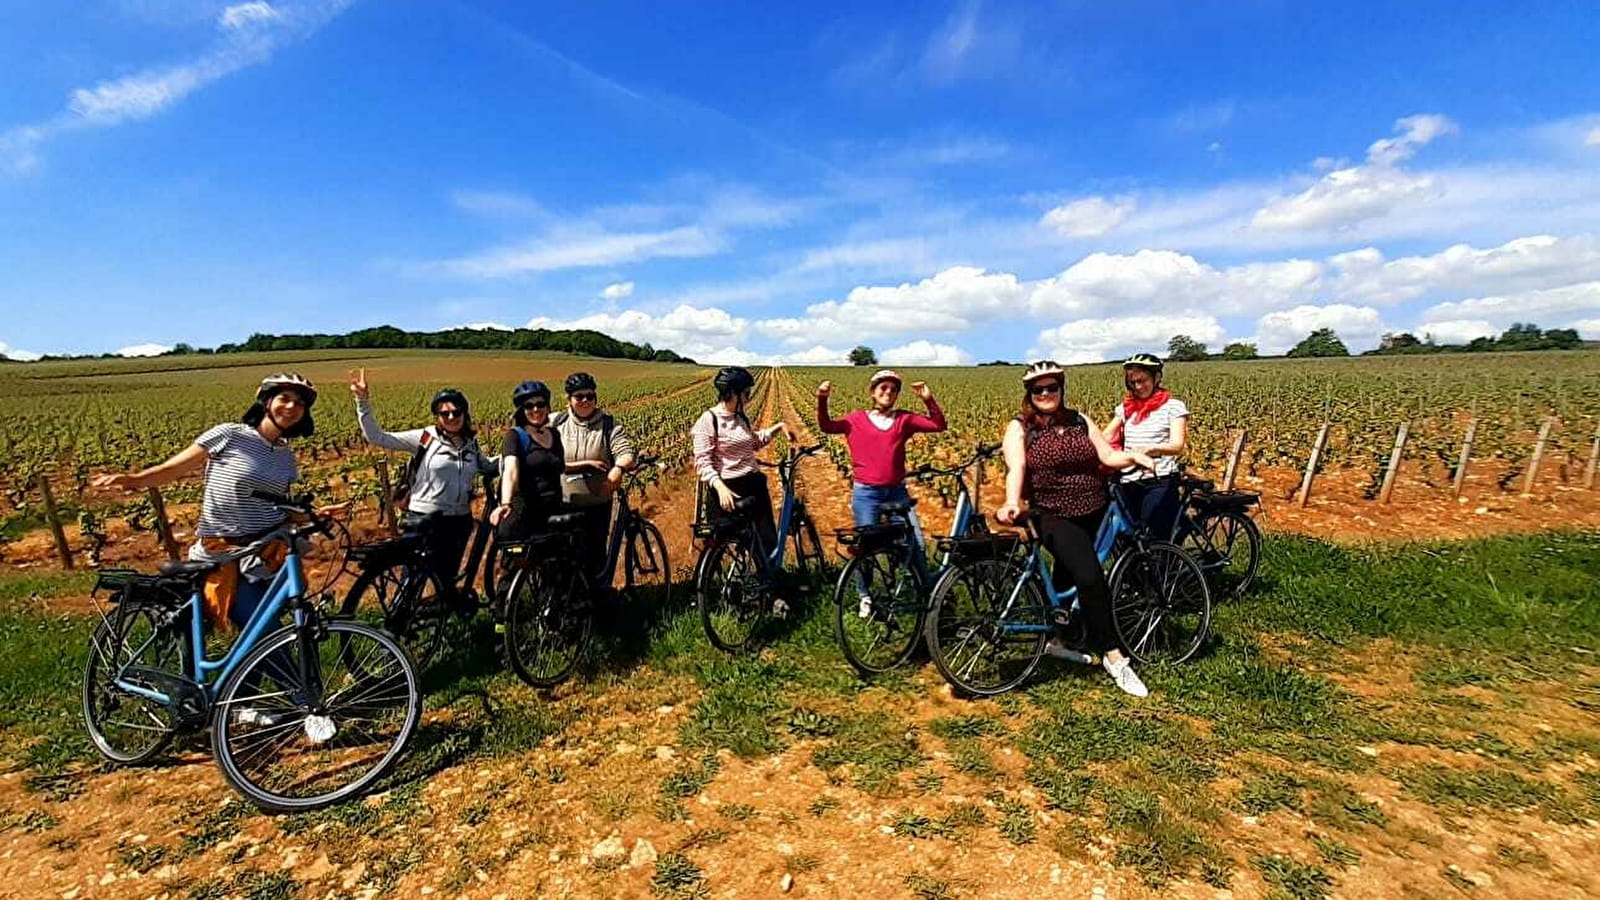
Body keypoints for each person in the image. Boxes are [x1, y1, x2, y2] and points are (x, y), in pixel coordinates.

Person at [91, 373, 315, 634]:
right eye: (284, 398)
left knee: (278, 629)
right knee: (264, 632)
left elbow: (275, 505)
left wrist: (309, 515)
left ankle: (246, 676)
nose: (291, 407)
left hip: (266, 555)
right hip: (223, 554)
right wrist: (134, 480)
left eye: (299, 403)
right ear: (266, 401)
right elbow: (174, 467)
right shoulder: (230, 435)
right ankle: (282, 675)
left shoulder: (286, 456)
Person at [995, 361, 1157, 698]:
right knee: (1090, 578)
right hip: (1053, 514)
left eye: (1051, 387)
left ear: (1060, 389)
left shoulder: (1080, 420)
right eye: (1038, 389)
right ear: (1030, 394)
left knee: (1066, 577)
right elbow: (1017, 466)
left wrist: (1134, 457)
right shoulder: (1021, 427)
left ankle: (1055, 640)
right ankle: (1115, 656)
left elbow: (1107, 456)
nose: (1045, 394)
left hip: (1094, 508)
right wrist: (1012, 501)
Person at [350, 369, 495, 605]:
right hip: (425, 519)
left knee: (445, 580)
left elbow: (487, 466)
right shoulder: (425, 438)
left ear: (464, 413)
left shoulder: (470, 444)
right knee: (413, 580)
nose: (450, 417)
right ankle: (399, 627)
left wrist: (514, 456)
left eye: (455, 412)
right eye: (443, 413)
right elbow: (378, 437)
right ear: (437, 416)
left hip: (458, 520)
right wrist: (362, 401)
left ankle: (438, 627)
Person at [816, 369, 946, 617]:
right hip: (867, 494)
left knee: (913, 543)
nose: (888, 392)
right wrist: (822, 399)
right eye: (883, 388)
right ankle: (866, 597)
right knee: (867, 548)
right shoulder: (856, 420)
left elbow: (938, 425)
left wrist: (928, 399)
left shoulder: (904, 420)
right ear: (872, 392)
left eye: (893, 389)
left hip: (897, 493)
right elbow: (826, 426)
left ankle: (924, 592)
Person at [691, 366, 793, 561]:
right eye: (746, 393)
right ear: (732, 393)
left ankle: (767, 584)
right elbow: (702, 461)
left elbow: (754, 441)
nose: (748, 397)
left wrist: (778, 427)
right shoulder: (709, 420)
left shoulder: (740, 418)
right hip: (727, 489)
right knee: (721, 544)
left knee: (764, 540)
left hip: (753, 486)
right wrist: (720, 487)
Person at [553, 371, 637, 588]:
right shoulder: (556, 423)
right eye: (579, 396)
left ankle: (595, 607)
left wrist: (618, 467)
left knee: (594, 556)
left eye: (590, 396)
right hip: (562, 503)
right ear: (568, 399)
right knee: (562, 559)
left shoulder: (608, 424)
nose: (585, 401)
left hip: (597, 504)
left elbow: (625, 451)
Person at [1103, 353, 1189, 541]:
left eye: (1142, 381)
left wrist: (1150, 449)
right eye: (1132, 382)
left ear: (1157, 378)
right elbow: (1107, 435)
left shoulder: (1173, 407)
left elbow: (1177, 445)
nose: (1138, 387)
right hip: (1129, 478)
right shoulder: (1126, 408)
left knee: (1153, 536)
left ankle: (1166, 569)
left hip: (1159, 478)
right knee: (1129, 536)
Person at [489, 381, 565, 542]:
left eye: (540, 404)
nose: (536, 409)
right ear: (522, 411)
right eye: (529, 406)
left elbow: (556, 465)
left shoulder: (554, 434)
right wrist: (505, 503)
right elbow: (511, 471)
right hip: (526, 507)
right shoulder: (515, 436)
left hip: (552, 506)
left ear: (547, 406)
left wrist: (588, 465)